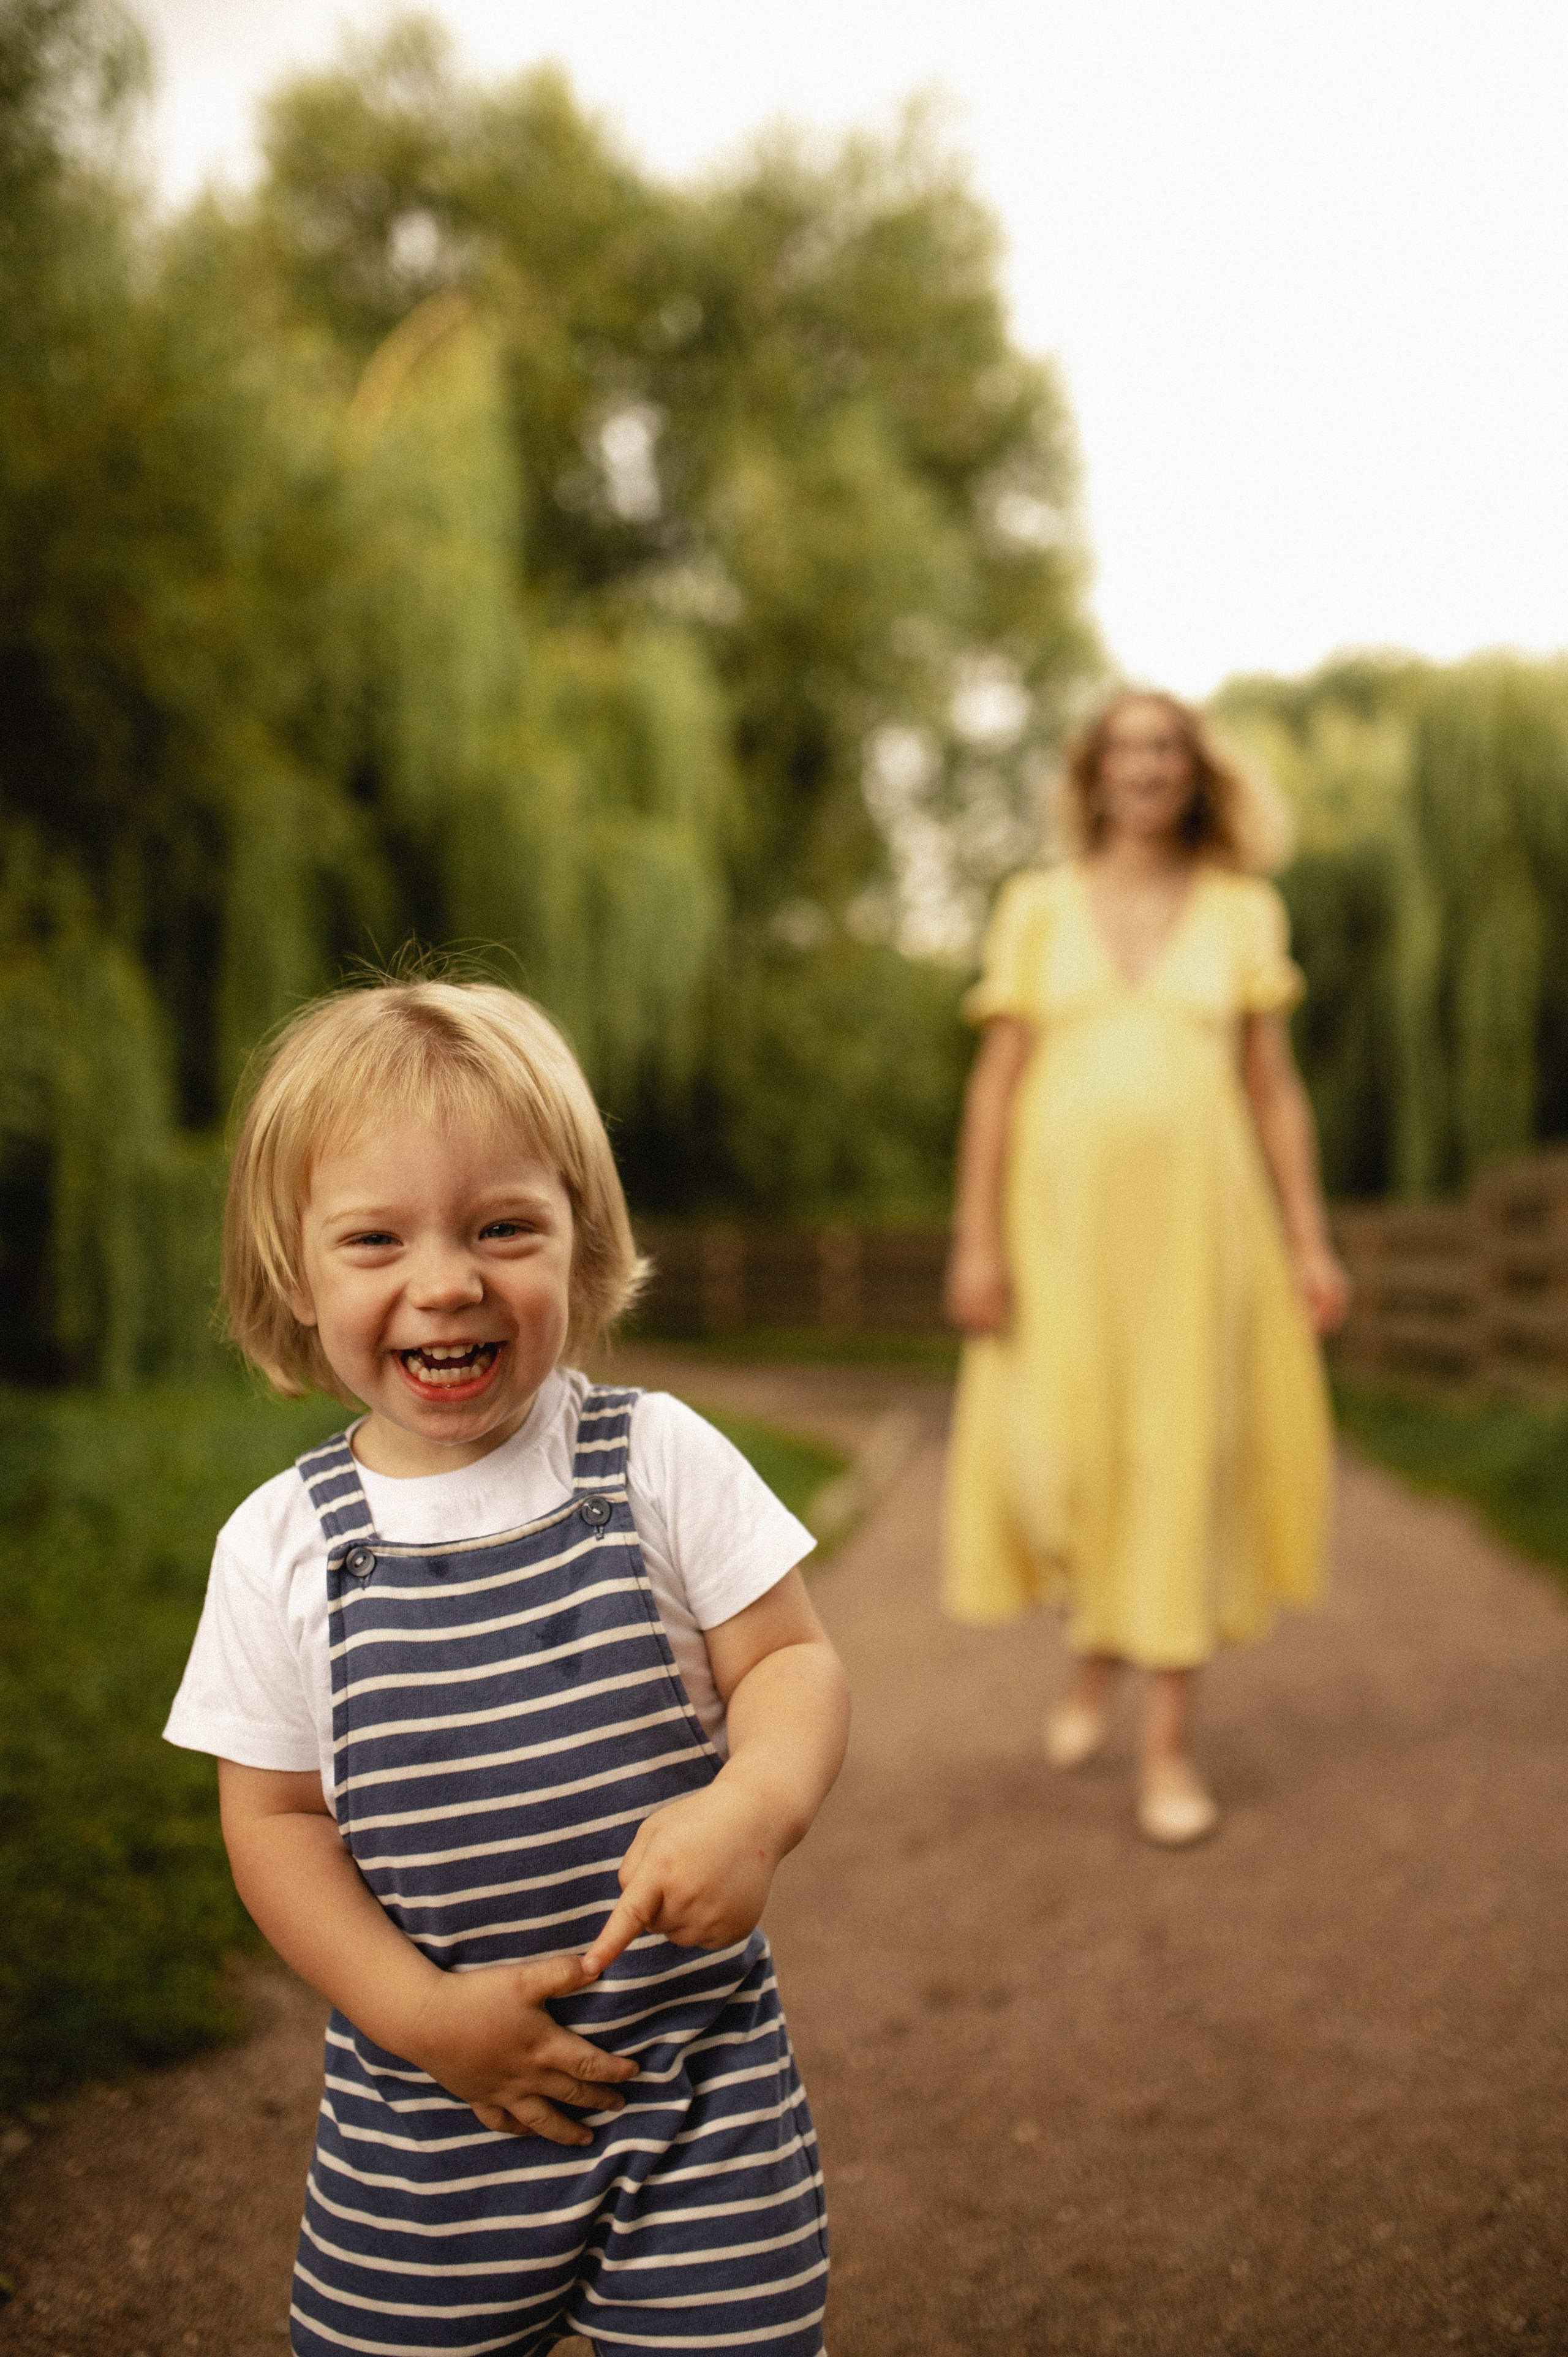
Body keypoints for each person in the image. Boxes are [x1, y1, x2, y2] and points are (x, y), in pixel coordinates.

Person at [165, 974, 848, 2357]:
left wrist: (750, 1805)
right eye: (375, 1238)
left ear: (579, 1245)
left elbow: (787, 1662)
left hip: (689, 2086)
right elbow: (274, 1818)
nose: (447, 1280)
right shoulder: (284, 1547)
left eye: (501, 1227)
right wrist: (422, 2017)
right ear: (296, 1270)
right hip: (429, 2113)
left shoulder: (655, 1462)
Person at [943, 690, 1348, 1848]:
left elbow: (1273, 1090)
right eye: (1124, 747)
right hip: (1057, 1238)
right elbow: (996, 1086)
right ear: (1094, 772)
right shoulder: (1035, 907)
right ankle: (1093, 1650)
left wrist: (1310, 1240)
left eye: (1165, 745)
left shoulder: (1241, 910)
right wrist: (976, 1238)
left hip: (1200, 1244)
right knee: (1058, 1461)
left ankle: (1167, 1751)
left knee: (1179, 1463)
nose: (1145, 765)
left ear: (1195, 770)